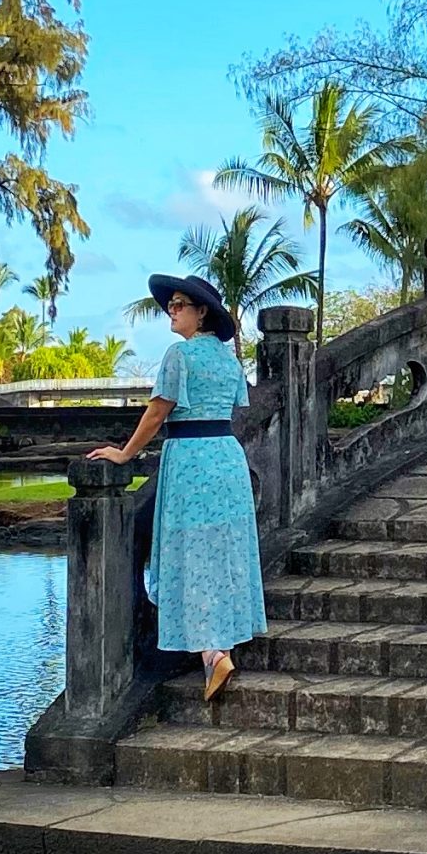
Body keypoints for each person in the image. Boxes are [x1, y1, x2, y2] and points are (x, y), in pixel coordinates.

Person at [87, 272, 265, 701]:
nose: (173, 310)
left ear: (202, 312)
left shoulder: (179, 356)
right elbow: (234, 408)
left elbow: (157, 412)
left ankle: (212, 652)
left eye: (181, 304)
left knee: (191, 552)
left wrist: (125, 453)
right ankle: (220, 645)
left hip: (190, 459)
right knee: (223, 551)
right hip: (226, 457)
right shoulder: (229, 361)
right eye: (172, 304)